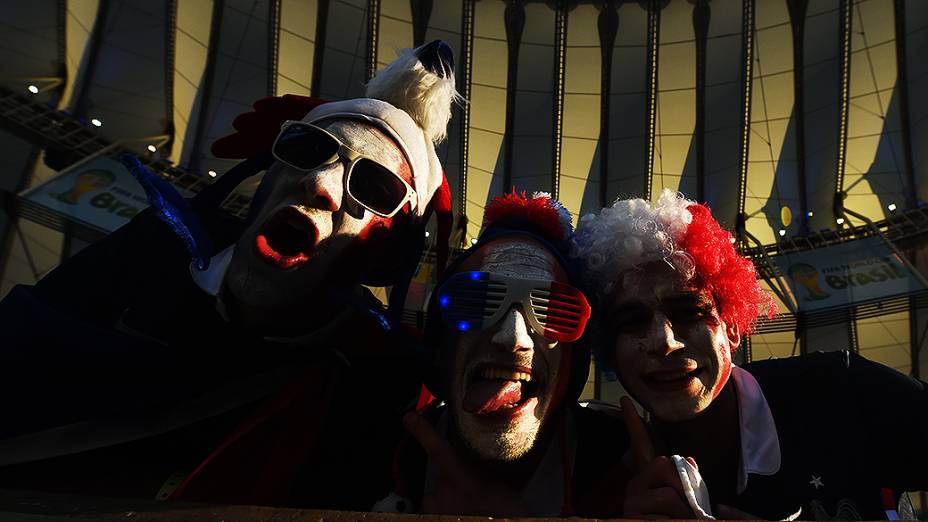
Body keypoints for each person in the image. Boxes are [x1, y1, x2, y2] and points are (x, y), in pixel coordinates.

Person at [0, 40, 458, 510]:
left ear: (388, 255)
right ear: (267, 175)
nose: (320, 184)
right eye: (308, 148)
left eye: (374, 187)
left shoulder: (372, 385)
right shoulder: (150, 253)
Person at [572, 189, 928, 520]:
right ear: (610, 351)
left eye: (689, 312)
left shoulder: (843, 390)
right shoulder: (600, 471)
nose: (664, 342)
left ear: (732, 326)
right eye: (632, 322)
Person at [374, 191, 629, 517]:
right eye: (477, 300)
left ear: (572, 363)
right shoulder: (380, 449)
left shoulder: (620, 459)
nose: (513, 338)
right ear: (441, 347)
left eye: (554, 311)